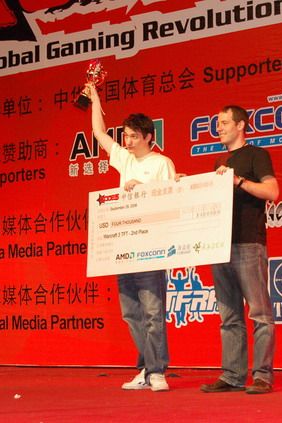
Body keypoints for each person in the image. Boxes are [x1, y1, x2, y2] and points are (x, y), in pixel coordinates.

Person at [86, 83, 175, 392]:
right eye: (126, 135)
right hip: (124, 245)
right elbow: (99, 133)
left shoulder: (162, 163)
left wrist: (143, 189)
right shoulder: (124, 159)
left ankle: (157, 371)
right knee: (131, 313)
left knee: (152, 311)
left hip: (151, 246)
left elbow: (170, 201)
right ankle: (147, 368)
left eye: (135, 136)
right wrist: (95, 99)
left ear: (149, 137)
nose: (128, 140)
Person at [200, 105, 279, 395]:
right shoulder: (219, 161)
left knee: (259, 313)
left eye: (224, 122)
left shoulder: (257, 155)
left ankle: (262, 376)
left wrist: (239, 181)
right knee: (229, 315)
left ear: (240, 125)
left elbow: (272, 192)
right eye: (217, 123)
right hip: (219, 245)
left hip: (248, 243)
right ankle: (233, 375)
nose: (218, 128)